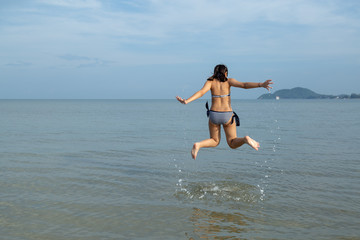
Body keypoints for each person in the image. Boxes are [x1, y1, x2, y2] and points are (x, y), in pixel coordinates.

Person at [176, 64, 273, 160]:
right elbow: (244, 85)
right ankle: (245, 139)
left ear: (214, 73)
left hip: (214, 114)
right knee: (232, 142)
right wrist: (261, 84)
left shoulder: (210, 81)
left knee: (214, 141)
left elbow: (201, 92)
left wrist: (187, 101)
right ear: (226, 73)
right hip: (227, 115)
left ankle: (198, 145)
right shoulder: (229, 81)